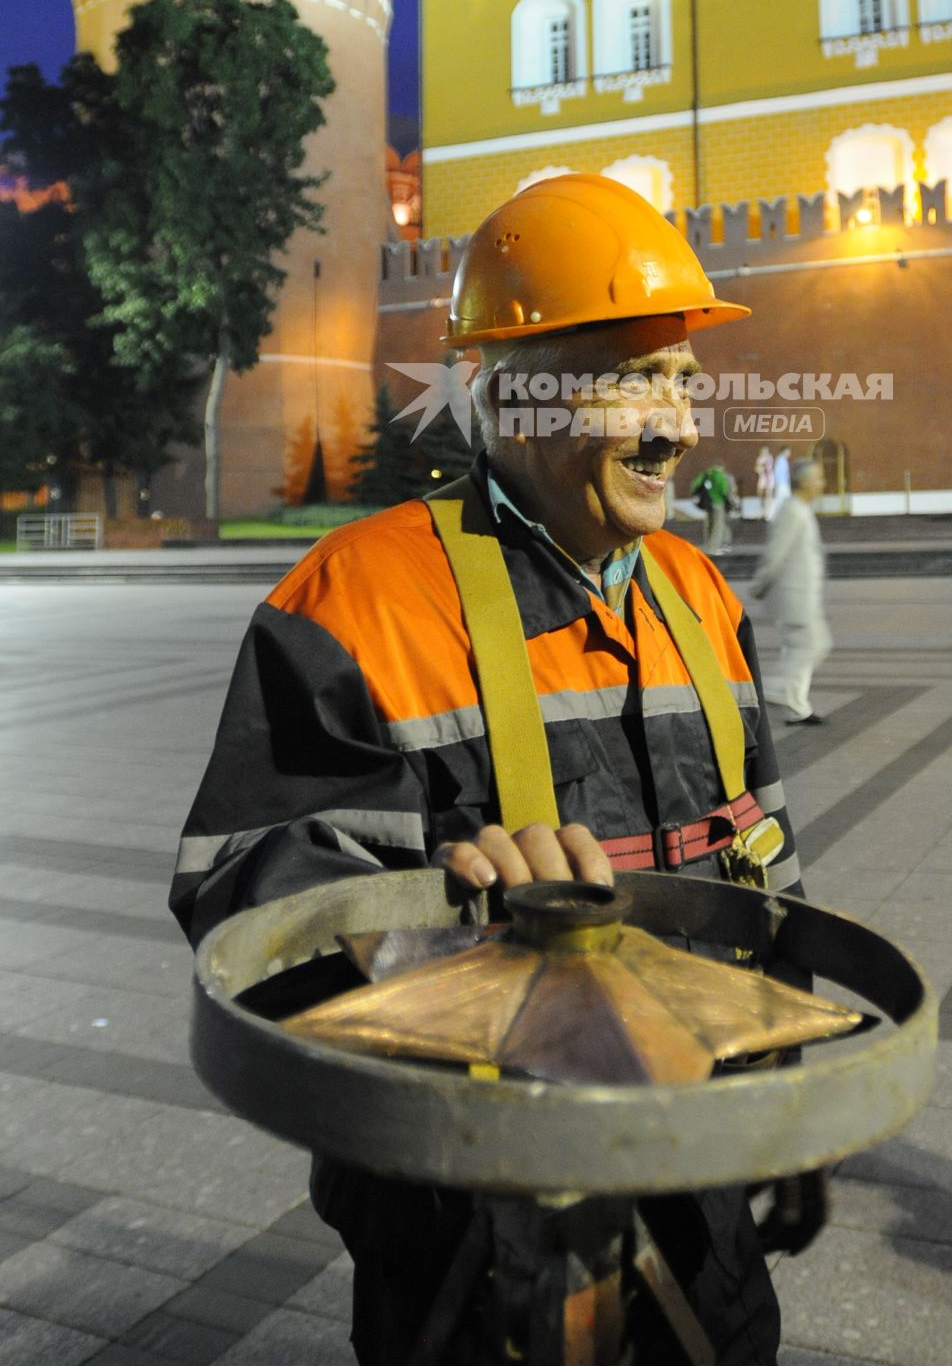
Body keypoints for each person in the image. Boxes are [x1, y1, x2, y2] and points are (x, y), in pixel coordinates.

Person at [169, 174, 801, 1366]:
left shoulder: (700, 596)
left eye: (681, 378)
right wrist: (436, 922)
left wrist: (781, 1088)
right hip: (468, 1222)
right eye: (628, 379)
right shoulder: (356, 604)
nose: (676, 425)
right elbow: (237, 890)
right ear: (508, 396)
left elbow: (760, 860)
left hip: (701, 1181)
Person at [752, 457, 831, 725]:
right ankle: (777, 690)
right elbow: (776, 551)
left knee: (799, 649)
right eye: (818, 477)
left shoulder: (800, 509)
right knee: (814, 645)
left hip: (802, 595)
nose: (822, 483)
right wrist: (760, 583)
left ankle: (797, 708)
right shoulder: (791, 511)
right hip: (794, 596)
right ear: (805, 482)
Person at [691, 459, 737, 555]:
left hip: (708, 503)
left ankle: (708, 548)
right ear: (722, 467)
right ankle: (714, 549)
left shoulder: (706, 474)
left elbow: (695, 484)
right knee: (717, 527)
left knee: (708, 526)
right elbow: (725, 491)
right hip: (718, 503)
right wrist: (732, 503)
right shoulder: (720, 476)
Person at [755, 445, 776, 521]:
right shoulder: (759, 459)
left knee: (768, 497)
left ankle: (769, 514)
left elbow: (766, 468)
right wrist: (760, 468)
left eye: (766, 451)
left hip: (769, 480)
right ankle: (762, 513)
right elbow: (757, 469)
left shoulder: (769, 458)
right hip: (762, 479)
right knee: (760, 496)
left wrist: (761, 467)